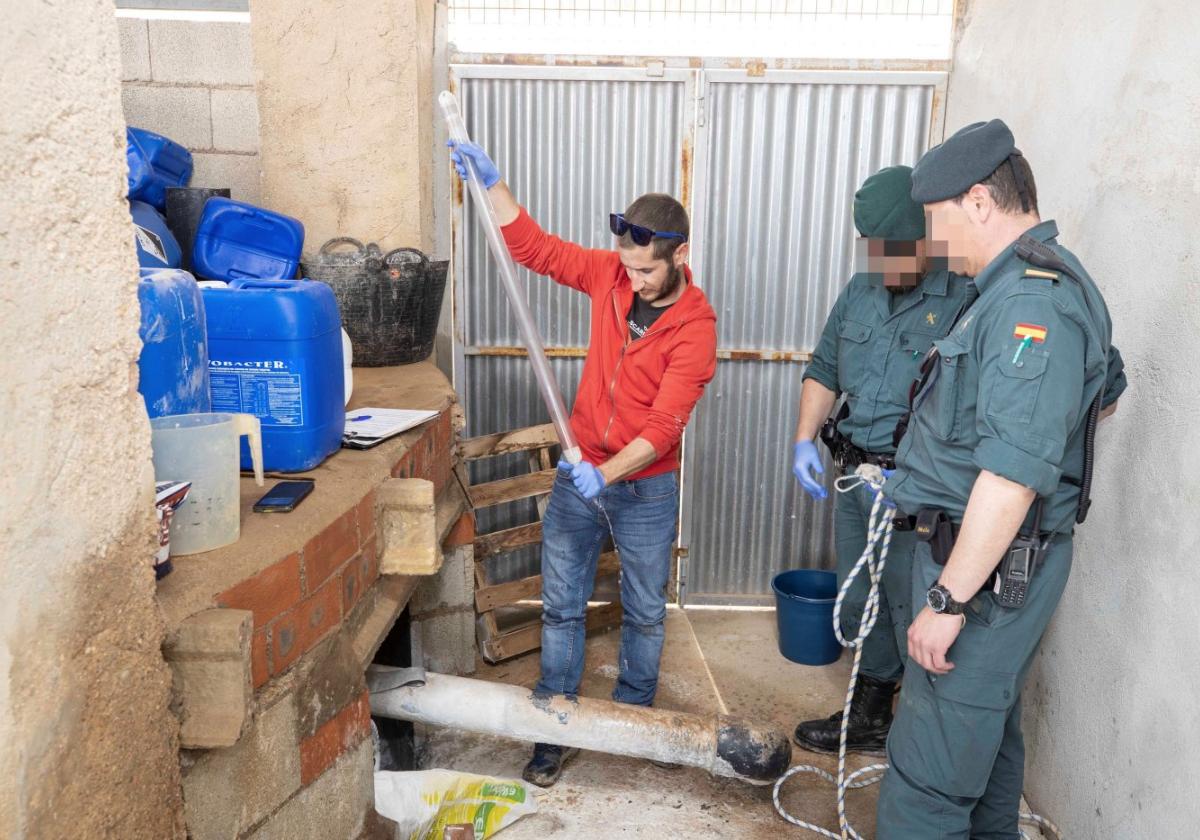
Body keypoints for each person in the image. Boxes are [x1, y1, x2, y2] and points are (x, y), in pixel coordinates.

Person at [874, 119, 1127, 839]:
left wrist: (951, 596)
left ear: (978, 202)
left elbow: (1013, 476)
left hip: (985, 577)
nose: (932, 239)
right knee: (984, 745)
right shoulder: (1023, 284)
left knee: (929, 777)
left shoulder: (1030, 302)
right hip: (992, 562)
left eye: (936, 219)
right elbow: (1100, 396)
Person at [449, 141, 718, 787]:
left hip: (645, 487)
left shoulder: (695, 327)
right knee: (562, 606)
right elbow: (534, 249)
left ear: (678, 256)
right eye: (626, 269)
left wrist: (611, 473)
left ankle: (631, 724)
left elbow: (663, 429)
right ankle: (554, 726)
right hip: (580, 474)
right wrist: (494, 185)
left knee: (646, 610)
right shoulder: (611, 273)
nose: (633, 281)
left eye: (647, 272)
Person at [791, 165, 975, 756]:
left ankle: (917, 733)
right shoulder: (861, 287)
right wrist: (803, 439)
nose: (884, 264)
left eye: (896, 252)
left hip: (917, 493)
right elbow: (824, 368)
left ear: (927, 238)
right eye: (875, 251)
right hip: (856, 481)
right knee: (857, 596)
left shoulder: (968, 293)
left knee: (908, 608)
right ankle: (870, 713)